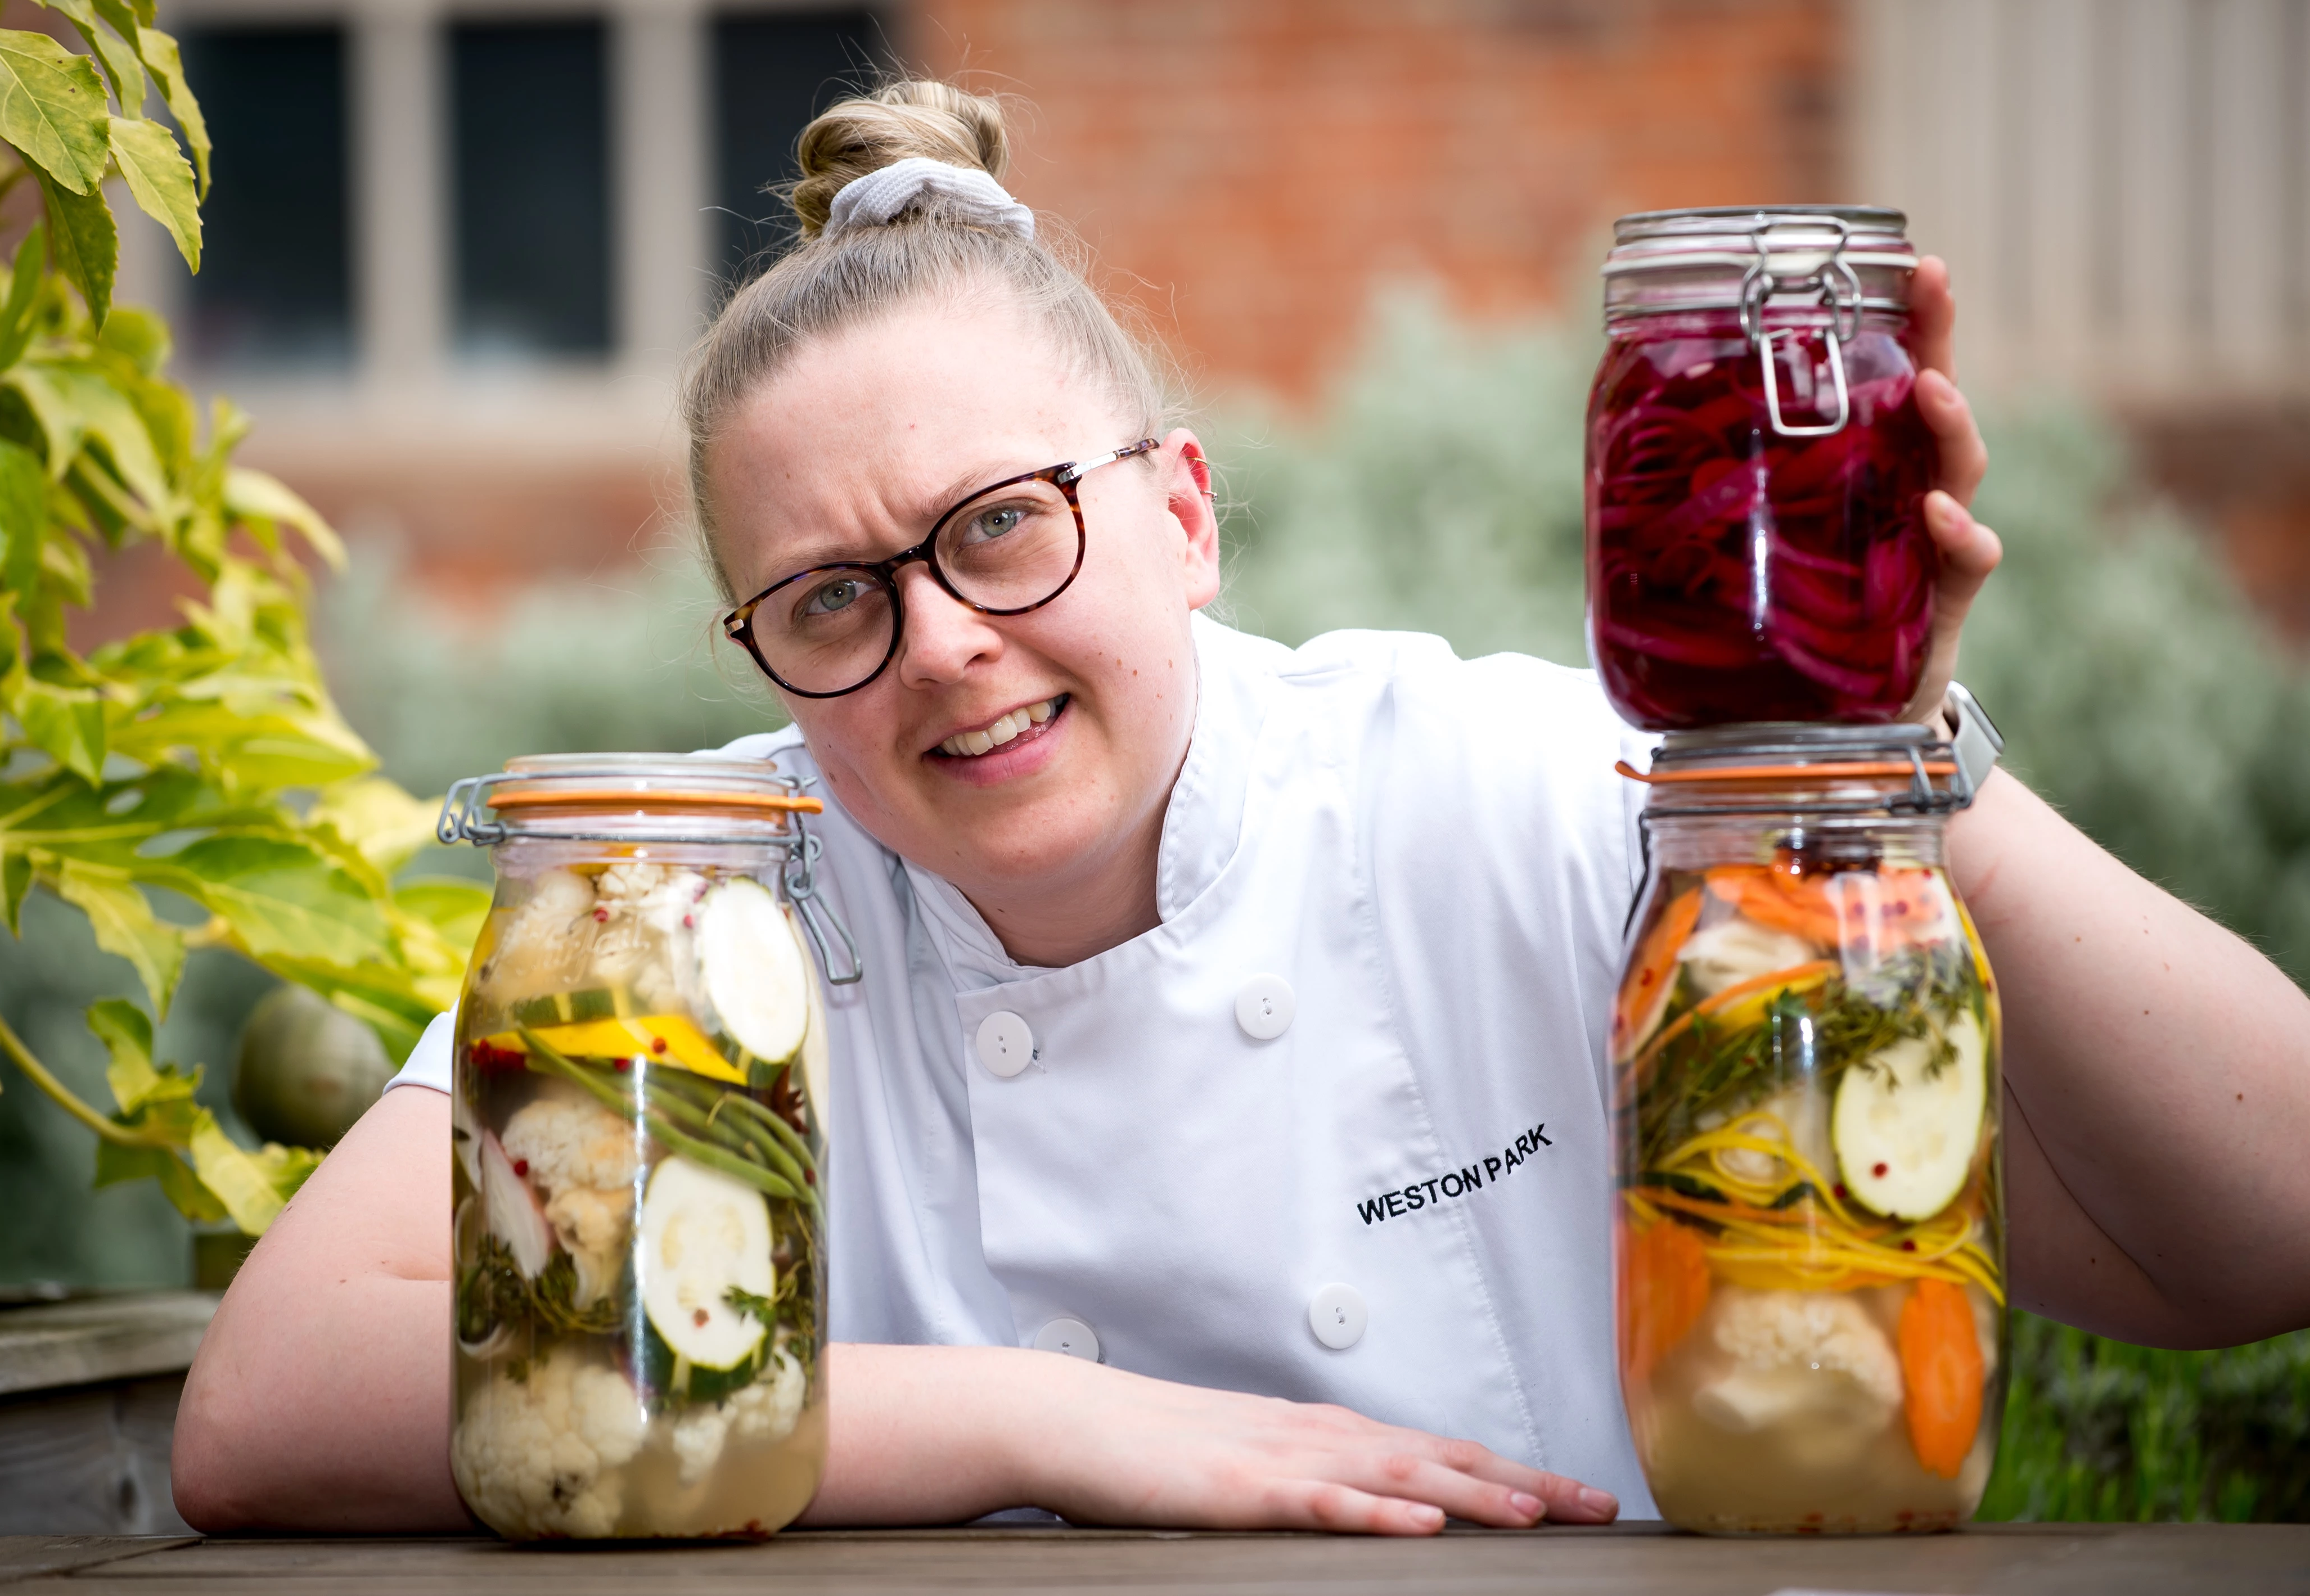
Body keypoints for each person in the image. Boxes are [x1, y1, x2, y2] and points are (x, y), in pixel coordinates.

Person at [172, 81, 2310, 1536]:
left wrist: (1894, 744)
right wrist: (1053, 1422)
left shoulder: (1532, 791)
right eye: (829, 595)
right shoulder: (702, 911)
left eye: (1001, 527)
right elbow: (264, 1411)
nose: (937, 644)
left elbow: (2253, 1233)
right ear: (759, 647)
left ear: (1182, 512)